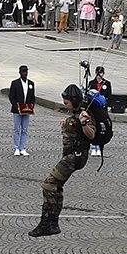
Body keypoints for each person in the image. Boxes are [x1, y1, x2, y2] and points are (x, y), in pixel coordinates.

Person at [28, 84, 96, 237]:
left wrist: (83, 122)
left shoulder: (85, 113)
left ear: (73, 101)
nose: (65, 105)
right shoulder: (77, 112)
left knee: (49, 183)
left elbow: (91, 134)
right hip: (70, 155)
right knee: (56, 186)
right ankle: (52, 222)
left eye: (66, 103)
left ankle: (48, 222)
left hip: (76, 156)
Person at [8, 64, 35, 156]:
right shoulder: (15, 83)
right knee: (16, 129)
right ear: (20, 72)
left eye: (26, 71)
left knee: (24, 129)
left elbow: (32, 97)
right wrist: (17, 107)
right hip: (17, 110)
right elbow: (11, 96)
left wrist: (31, 106)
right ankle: (16, 147)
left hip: (26, 110)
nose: (25, 73)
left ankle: (22, 147)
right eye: (23, 71)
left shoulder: (31, 83)